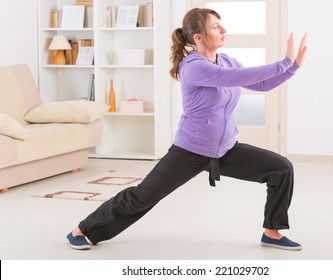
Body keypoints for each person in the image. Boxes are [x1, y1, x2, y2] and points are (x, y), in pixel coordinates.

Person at [66, 7, 307, 251]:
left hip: (225, 150)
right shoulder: (193, 67)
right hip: (190, 150)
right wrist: (283, 62)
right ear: (199, 38)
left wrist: (294, 66)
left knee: (281, 168)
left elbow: (262, 83)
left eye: (221, 25)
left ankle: (272, 232)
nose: (223, 30)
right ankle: (83, 229)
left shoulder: (226, 61)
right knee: (142, 197)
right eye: (215, 27)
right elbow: (239, 77)